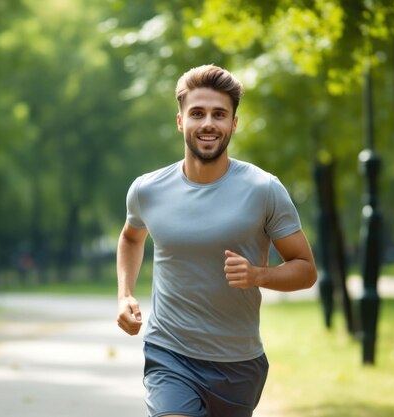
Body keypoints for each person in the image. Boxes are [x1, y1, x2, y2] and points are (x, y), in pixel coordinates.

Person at [116, 64, 317, 417]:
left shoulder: (263, 189)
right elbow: (132, 237)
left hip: (237, 365)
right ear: (180, 121)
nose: (208, 123)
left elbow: (306, 270)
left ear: (233, 124)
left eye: (219, 114)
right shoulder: (148, 190)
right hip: (169, 353)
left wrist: (259, 276)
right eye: (197, 113)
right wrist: (125, 295)